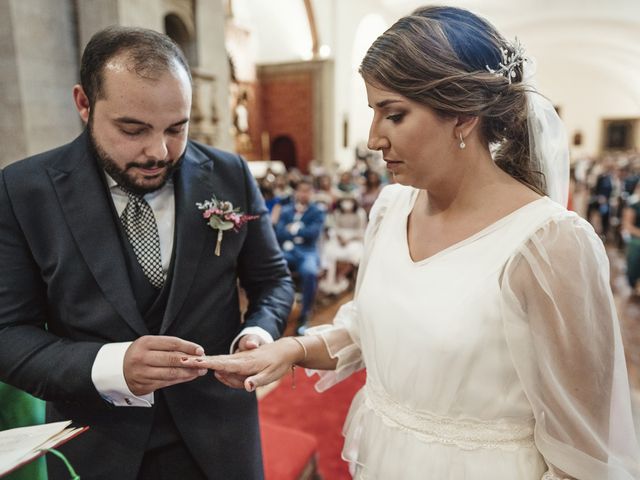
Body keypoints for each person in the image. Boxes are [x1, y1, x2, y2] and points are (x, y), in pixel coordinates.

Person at [183, 6, 640, 480]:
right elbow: (370, 326)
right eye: (373, 112)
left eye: (393, 114)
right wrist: (292, 350)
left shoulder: (548, 244)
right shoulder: (391, 207)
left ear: (463, 115)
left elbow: (582, 454)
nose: (372, 138)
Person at [0, 26, 294, 480]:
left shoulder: (229, 173)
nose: (158, 151)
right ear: (83, 103)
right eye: (132, 129)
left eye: (176, 128)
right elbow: (8, 334)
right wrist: (111, 365)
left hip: (221, 439)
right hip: (97, 445)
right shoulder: (24, 190)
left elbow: (272, 280)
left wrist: (257, 334)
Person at [275, 178, 326, 331]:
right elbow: (278, 233)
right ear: (296, 192)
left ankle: (305, 314)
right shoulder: (285, 210)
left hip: (307, 252)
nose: (304, 194)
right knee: (274, 267)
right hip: (287, 251)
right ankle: (278, 309)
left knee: (309, 272)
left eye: (307, 191)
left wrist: (293, 229)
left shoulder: (317, 211)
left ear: (312, 193)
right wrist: (298, 232)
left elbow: (313, 234)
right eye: (301, 190)